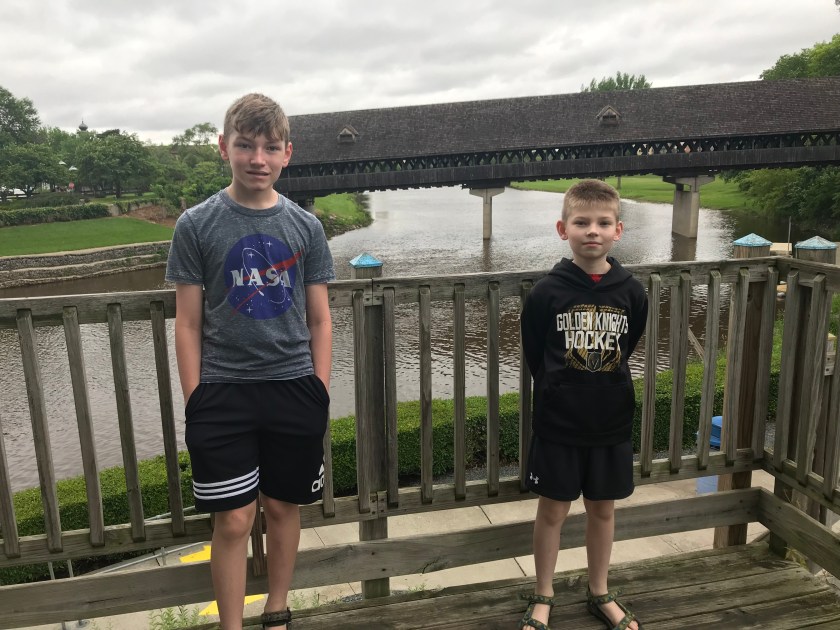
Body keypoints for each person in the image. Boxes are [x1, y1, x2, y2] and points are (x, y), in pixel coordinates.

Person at [166, 93, 334, 630]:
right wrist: (196, 398)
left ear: (287, 153)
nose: (257, 158)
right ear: (224, 147)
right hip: (223, 391)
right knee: (235, 520)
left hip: (293, 387)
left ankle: (277, 611)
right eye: (245, 145)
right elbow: (188, 323)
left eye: (269, 147)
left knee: (283, 508)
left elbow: (320, 320)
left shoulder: (306, 227)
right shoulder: (196, 224)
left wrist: (319, 390)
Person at [519, 179, 648, 630]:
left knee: (603, 509)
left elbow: (627, 345)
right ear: (563, 229)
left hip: (610, 420)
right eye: (581, 222)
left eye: (603, 223)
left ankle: (599, 591)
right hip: (559, 422)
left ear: (618, 230)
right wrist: (560, 389)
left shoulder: (632, 292)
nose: (592, 231)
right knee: (552, 510)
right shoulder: (546, 293)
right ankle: (543, 594)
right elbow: (536, 353)